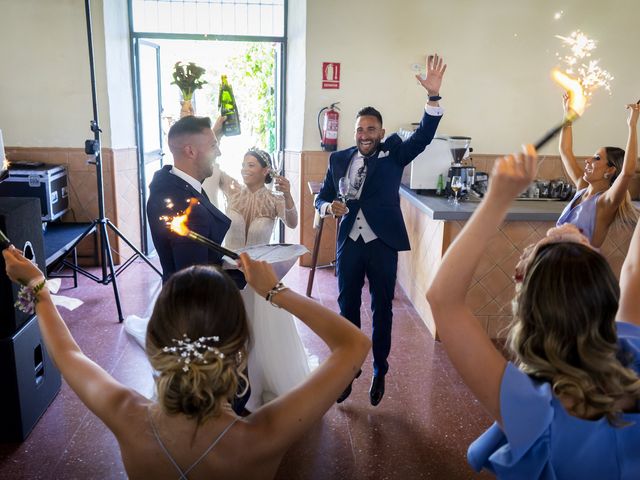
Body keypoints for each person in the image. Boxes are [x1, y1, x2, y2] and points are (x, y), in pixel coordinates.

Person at [2, 247, 371, 479]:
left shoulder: (125, 413)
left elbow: (69, 355)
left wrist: (38, 284)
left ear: (155, 342)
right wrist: (276, 292)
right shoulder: (265, 435)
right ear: (241, 349)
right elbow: (353, 345)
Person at [427, 146, 640, 478]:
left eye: (548, 243)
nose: (562, 231)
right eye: (578, 245)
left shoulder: (533, 410)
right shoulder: (633, 349)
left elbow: (443, 299)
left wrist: (496, 199)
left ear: (520, 278)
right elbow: (634, 270)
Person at [314, 53, 447, 406]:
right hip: (349, 243)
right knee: (347, 307)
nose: (365, 135)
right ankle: (348, 368)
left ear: (381, 132)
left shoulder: (395, 153)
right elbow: (323, 198)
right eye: (360, 129)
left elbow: (424, 135)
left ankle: (380, 369)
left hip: (383, 243)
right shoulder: (338, 159)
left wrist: (432, 97)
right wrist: (328, 206)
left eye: (371, 129)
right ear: (354, 132)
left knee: (382, 309)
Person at [203, 148, 311, 411]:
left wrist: (287, 193)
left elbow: (294, 223)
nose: (244, 169)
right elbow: (210, 170)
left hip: (260, 276)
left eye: (250, 165)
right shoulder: (232, 190)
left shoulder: (274, 200)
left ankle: (258, 379)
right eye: (243, 164)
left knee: (261, 334)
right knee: (231, 328)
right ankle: (229, 379)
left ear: (265, 171)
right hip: (230, 273)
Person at [146, 115, 243, 286]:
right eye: (213, 146)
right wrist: (247, 276)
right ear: (190, 151)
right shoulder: (188, 210)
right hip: (193, 308)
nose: (218, 153)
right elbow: (195, 282)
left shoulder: (172, 183)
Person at [557, 95, 639, 247]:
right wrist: (568, 114)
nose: (588, 160)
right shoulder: (582, 188)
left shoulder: (605, 202)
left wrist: (632, 125)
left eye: (596, 158)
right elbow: (565, 150)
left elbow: (627, 172)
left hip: (581, 268)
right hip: (557, 264)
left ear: (610, 170)